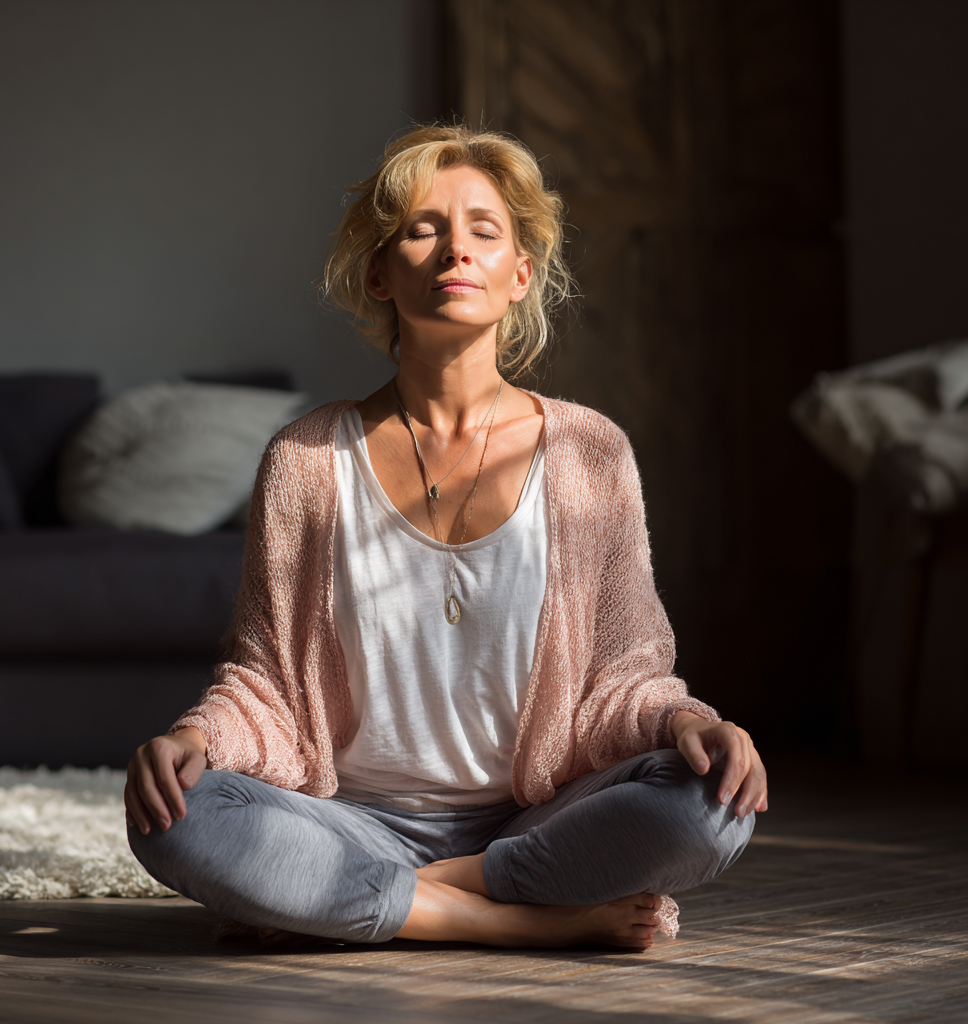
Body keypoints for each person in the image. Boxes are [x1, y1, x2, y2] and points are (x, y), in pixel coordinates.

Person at [124, 124, 767, 951]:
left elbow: (624, 673)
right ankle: (512, 922)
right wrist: (196, 739)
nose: (455, 249)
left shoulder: (589, 452)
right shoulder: (306, 458)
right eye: (423, 230)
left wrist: (687, 724)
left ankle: (390, 900)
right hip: (350, 820)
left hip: (538, 817)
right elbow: (266, 682)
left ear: (520, 274)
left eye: (483, 230)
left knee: (713, 803)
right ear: (380, 274)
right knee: (176, 818)